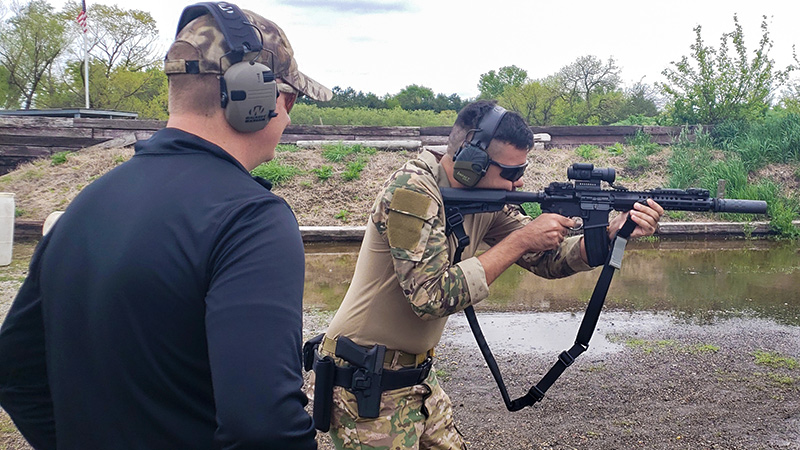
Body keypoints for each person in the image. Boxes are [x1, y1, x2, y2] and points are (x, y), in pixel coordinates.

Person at [0, 3, 332, 449]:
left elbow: (15, 371)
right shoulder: (251, 220)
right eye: (290, 98)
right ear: (256, 97)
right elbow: (263, 428)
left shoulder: (86, 203)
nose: (288, 116)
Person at [311, 100, 664, 449]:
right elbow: (430, 296)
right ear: (471, 163)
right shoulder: (411, 192)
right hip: (367, 384)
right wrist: (519, 240)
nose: (518, 181)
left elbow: (548, 259)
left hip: (416, 378)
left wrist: (607, 234)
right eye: (510, 172)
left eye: (521, 170)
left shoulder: (485, 197)